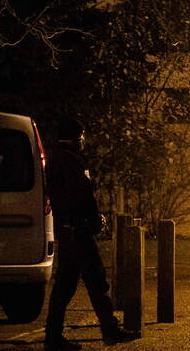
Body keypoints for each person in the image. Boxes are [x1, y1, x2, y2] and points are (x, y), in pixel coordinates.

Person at [45, 118, 139, 351]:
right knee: (97, 281)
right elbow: (84, 194)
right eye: (83, 137)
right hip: (79, 229)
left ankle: (53, 337)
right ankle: (110, 330)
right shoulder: (73, 160)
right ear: (78, 137)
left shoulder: (55, 158)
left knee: (64, 287)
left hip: (66, 230)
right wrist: (96, 220)